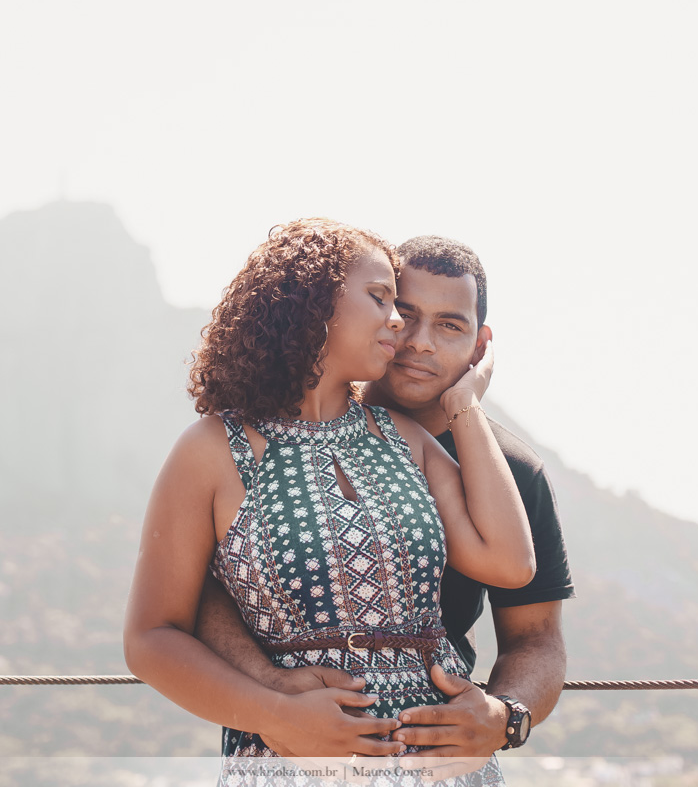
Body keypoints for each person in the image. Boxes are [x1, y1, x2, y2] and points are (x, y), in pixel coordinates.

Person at [124, 219, 535, 783]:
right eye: (380, 299)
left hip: (443, 771)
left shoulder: (403, 439)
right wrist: (278, 714)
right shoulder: (213, 450)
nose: (399, 322)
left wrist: (465, 403)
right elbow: (151, 638)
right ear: (312, 303)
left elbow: (510, 563)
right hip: (295, 763)